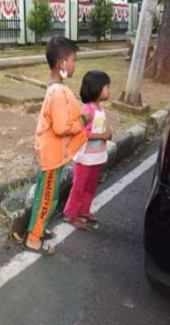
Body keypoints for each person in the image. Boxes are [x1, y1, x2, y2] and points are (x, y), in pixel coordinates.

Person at [24, 36, 88, 255]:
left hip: (52, 153)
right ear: (62, 64)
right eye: (72, 60)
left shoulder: (56, 88)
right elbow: (61, 127)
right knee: (48, 197)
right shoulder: (59, 92)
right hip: (52, 155)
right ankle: (33, 239)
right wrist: (81, 123)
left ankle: (39, 229)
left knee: (48, 195)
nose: (73, 65)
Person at [63, 71, 113, 230]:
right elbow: (81, 133)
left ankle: (84, 210)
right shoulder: (86, 110)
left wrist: (108, 133)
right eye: (107, 87)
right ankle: (71, 214)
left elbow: (102, 129)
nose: (109, 90)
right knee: (79, 186)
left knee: (90, 186)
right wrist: (103, 135)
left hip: (97, 156)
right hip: (85, 157)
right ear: (97, 88)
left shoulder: (100, 109)